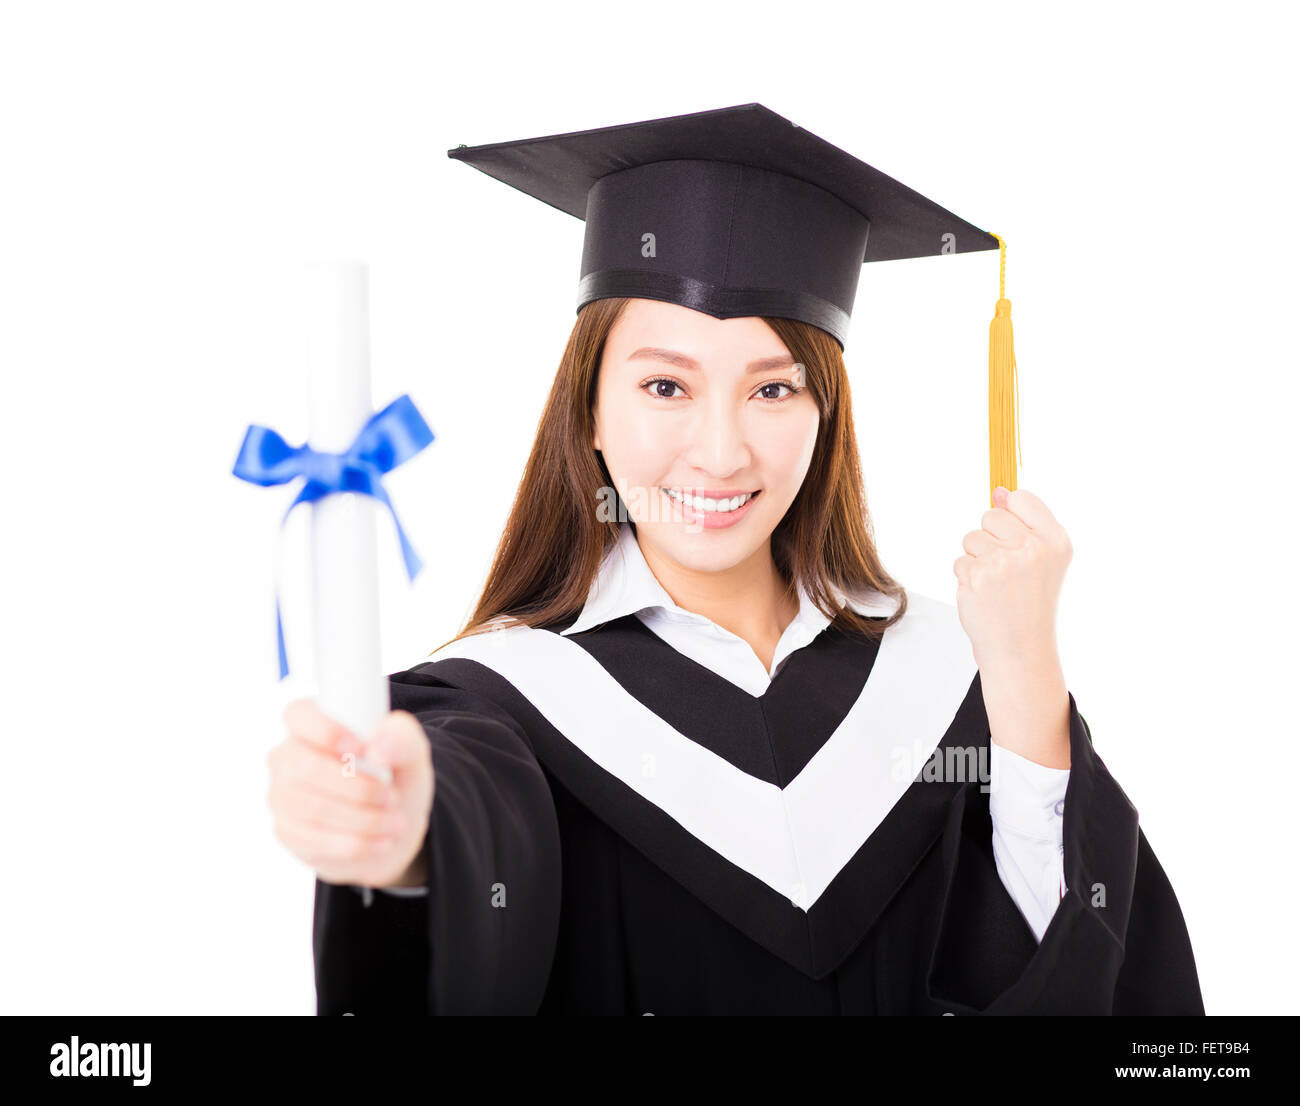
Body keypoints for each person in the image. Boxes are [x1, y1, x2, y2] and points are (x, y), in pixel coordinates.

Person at [266, 105, 1204, 1014]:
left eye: (773, 389)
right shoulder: (508, 700)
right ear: (588, 406)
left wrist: (1026, 679)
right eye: (665, 384)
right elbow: (472, 813)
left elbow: (1086, 981)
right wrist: (406, 837)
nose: (719, 453)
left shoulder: (944, 678)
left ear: (824, 412)